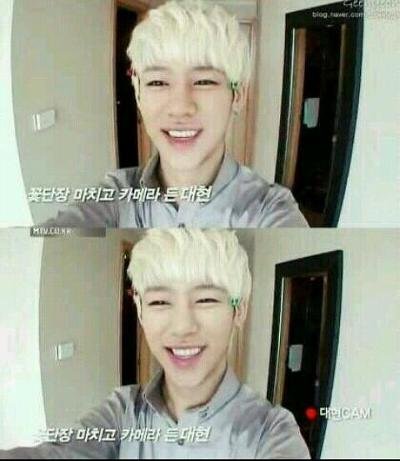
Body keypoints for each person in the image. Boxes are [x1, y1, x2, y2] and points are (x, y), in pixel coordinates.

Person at [1, 229, 310, 459]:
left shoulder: (272, 432)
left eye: (206, 299)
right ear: (140, 312)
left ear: (238, 310)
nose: (182, 327)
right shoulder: (122, 412)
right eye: (160, 301)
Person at [43, 0, 308, 228]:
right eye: (158, 82)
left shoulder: (269, 209)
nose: (180, 107)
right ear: (138, 96)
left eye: (204, 81)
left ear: (236, 96)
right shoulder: (116, 196)